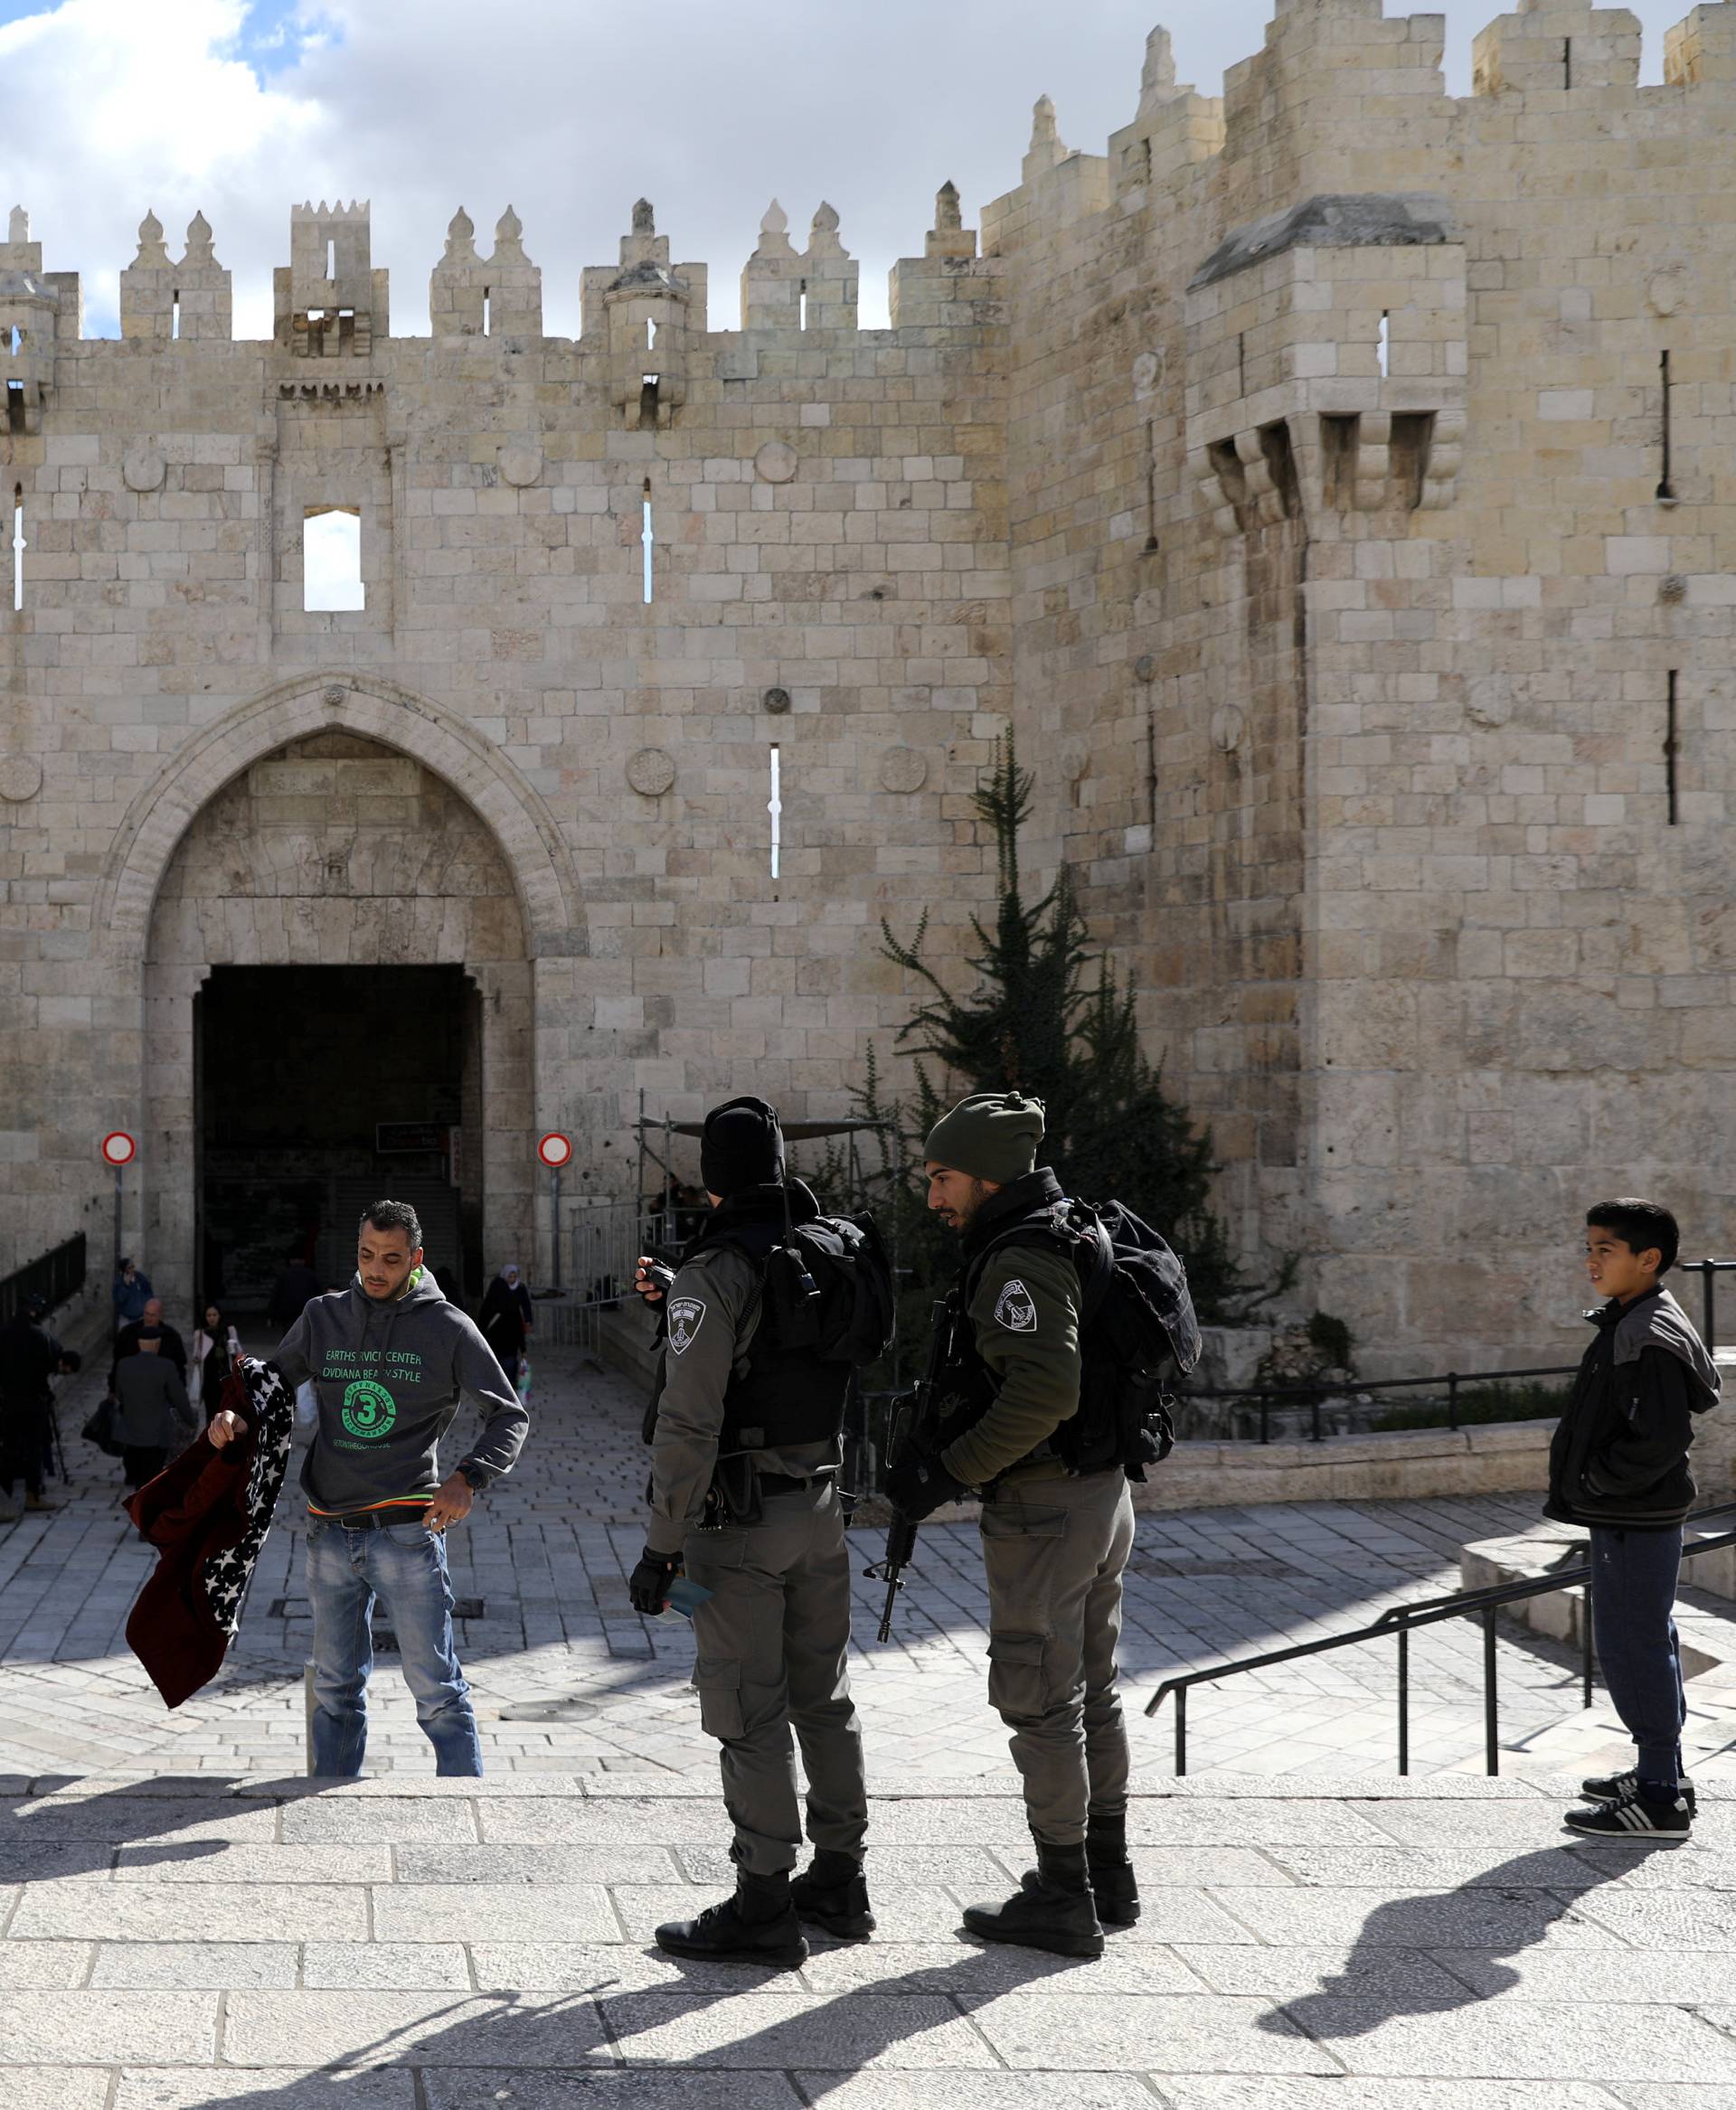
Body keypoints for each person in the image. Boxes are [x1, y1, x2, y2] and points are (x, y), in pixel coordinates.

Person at [885, 1090, 1131, 1961]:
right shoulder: (1055, 1228)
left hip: (1047, 1506)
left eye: (944, 1178)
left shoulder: (1019, 1258)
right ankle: (1109, 1874)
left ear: (988, 1177)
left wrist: (950, 1471)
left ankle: (1064, 1895)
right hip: (1097, 1494)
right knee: (1089, 1685)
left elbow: (1043, 1392)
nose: (934, 1197)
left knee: (1038, 1695)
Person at [628, 1097, 871, 1969]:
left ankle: (764, 1901)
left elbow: (687, 1426)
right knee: (824, 1696)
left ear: (712, 1177)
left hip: (740, 1525)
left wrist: (662, 1549)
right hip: (822, 1510)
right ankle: (840, 1881)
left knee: (747, 1711)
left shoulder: (717, 1272)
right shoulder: (819, 1250)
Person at [242, 1200, 528, 1776]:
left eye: (392, 1259)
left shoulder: (447, 1328)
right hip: (327, 1534)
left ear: (415, 1260)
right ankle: (329, 1807)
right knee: (333, 1688)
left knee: (437, 1691)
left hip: (407, 1534)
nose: (376, 1269)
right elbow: (273, 1386)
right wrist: (235, 1415)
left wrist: (468, 1476)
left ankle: (466, 1817)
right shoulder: (323, 1317)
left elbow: (509, 1415)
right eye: (367, 1255)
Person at [1546, 1199, 1721, 1841]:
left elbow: (1659, 1438)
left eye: (1606, 1250)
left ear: (1648, 1260)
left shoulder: (1646, 1334)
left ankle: (1660, 1797)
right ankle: (1661, 1773)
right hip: (1628, 1510)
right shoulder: (1633, 1318)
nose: (1591, 1261)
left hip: (1633, 1511)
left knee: (1633, 1642)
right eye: (1588, 1247)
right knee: (1644, 1637)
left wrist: (1596, 1482)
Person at [0, 1295, 74, 1512]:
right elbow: (52, 1364)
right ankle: (32, 1495)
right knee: (33, 1448)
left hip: (10, 1400)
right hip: (34, 1400)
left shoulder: (3, 1335)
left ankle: (4, 1495)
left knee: (9, 1448)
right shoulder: (40, 1337)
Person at [113, 1333, 196, 1491]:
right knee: (153, 1475)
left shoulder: (124, 1364)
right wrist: (190, 1420)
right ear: (157, 1344)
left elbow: (119, 1394)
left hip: (131, 1431)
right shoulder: (167, 1366)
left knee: (138, 1475)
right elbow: (179, 1398)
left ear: (139, 1343)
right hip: (157, 1433)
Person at [110, 1299, 188, 1392]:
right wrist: (112, 1389)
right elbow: (117, 1362)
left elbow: (179, 1367)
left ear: (160, 1316)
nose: (148, 1319)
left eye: (153, 1315)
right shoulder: (127, 1333)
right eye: (147, 1314)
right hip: (132, 1389)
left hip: (161, 1391)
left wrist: (180, 1391)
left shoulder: (172, 1337)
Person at [479, 1261, 533, 1387]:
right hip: (510, 1347)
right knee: (509, 1369)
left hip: (493, 1345)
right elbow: (519, 1330)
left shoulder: (488, 1306)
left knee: (495, 1368)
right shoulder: (513, 1307)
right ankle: (509, 1390)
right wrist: (523, 1349)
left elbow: (481, 1325)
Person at [188, 1302, 241, 1424]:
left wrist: (232, 1350)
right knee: (211, 1413)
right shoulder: (200, 1334)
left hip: (226, 1377)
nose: (211, 1318)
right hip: (209, 1379)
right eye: (208, 1315)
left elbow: (239, 1352)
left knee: (227, 1412)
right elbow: (196, 1356)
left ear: (219, 1316)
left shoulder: (228, 1331)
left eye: (214, 1315)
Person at [268, 1250, 323, 1333]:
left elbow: (276, 1295)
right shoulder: (311, 1274)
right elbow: (319, 1294)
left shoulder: (284, 1275)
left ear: (290, 1261)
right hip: (306, 1310)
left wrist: (272, 1316)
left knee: (289, 1334)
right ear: (303, 1261)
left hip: (288, 1311)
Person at [112, 1258, 154, 1332]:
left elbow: (148, 1291)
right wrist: (126, 1285)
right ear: (124, 1269)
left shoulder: (139, 1277)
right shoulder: (119, 1282)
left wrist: (148, 1307)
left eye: (133, 1266)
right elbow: (119, 1299)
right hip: (127, 1318)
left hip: (141, 1317)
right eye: (129, 1267)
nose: (132, 1269)